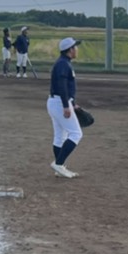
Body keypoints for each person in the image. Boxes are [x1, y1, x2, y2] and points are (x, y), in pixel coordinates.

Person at [48, 37, 84, 178]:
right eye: (75, 47)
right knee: (76, 134)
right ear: (70, 50)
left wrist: (72, 103)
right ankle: (59, 164)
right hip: (59, 102)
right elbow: (62, 86)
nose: (77, 49)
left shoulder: (63, 62)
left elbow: (66, 87)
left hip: (56, 101)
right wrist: (66, 106)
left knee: (60, 136)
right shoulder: (63, 64)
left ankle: (59, 168)